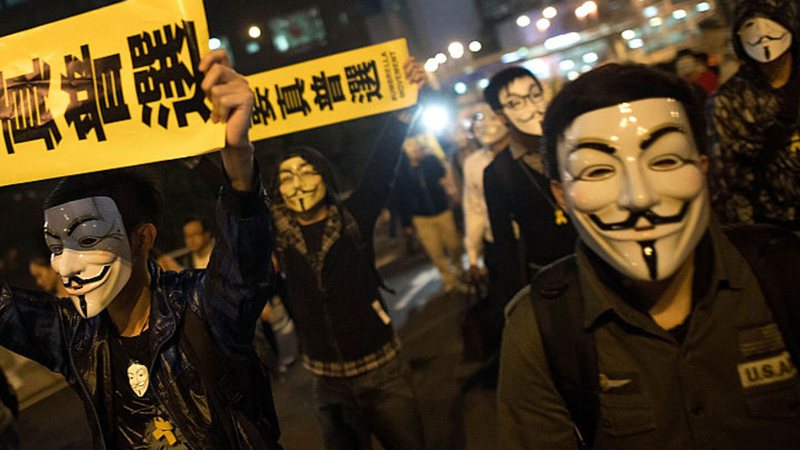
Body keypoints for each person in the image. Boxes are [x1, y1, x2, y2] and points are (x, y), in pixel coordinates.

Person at [498, 63, 800, 449]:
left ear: (703, 168)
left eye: (665, 160)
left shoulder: (783, 273)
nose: (638, 197)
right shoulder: (541, 330)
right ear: (561, 196)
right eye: (597, 170)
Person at [0, 50, 282, 449]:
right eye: (54, 245)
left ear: (143, 238)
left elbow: (246, 262)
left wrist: (238, 160)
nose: (65, 265)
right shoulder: (72, 336)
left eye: (87, 240)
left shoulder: (201, 307)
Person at [269, 59, 427, 450]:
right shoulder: (278, 230)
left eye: (307, 172)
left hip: (382, 372)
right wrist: (198, 152)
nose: (297, 183)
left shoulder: (355, 215)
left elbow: (381, 167)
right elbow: (237, 194)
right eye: (287, 177)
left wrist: (405, 106)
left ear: (326, 178)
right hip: (327, 383)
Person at [482, 66, 577, 305]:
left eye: (535, 95)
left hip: (604, 259)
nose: (533, 108)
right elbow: (505, 245)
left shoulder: (575, 142)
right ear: (501, 115)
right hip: (553, 282)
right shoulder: (497, 173)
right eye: (515, 103)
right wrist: (518, 301)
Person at [708, 0, 800, 231]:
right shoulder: (728, 103)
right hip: (779, 235)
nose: (762, 33)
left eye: (771, 21)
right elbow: (727, 184)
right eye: (749, 24)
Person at [398, 136, 465, 293]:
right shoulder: (403, 172)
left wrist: (429, 157)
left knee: (454, 244)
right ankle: (449, 279)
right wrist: (406, 223)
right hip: (421, 217)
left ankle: (460, 270)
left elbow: (443, 174)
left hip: (441, 210)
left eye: (416, 148)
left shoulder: (430, 162)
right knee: (435, 251)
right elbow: (401, 198)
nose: (415, 152)